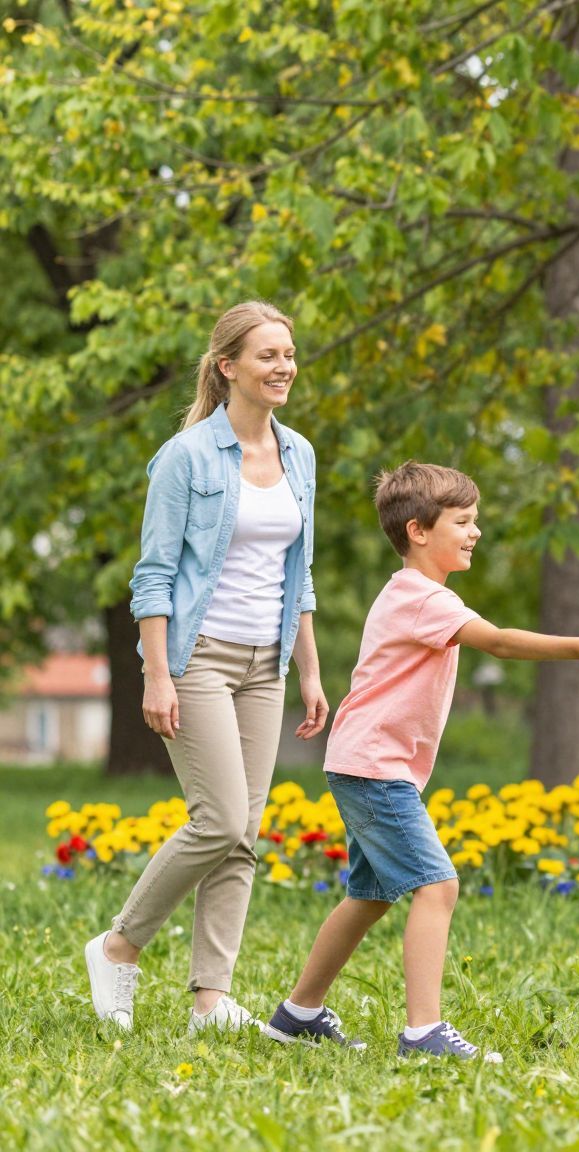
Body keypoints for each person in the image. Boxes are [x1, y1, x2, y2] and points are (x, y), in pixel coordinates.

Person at [261, 462, 579, 1059]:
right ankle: (424, 1033)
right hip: (374, 766)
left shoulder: (420, 595)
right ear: (418, 530)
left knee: (371, 894)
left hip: (366, 761)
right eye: (462, 521)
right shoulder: (420, 597)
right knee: (438, 886)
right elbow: (501, 641)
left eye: (475, 521)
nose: (474, 532)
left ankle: (297, 1014)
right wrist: (576, 648)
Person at [86, 301, 329, 1033]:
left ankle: (210, 1001)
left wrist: (311, 673)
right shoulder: (187, 456)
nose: (283, 366)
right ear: (228, 367)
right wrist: (157, 676)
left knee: (243, 832)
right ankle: (119, 946)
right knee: (219, 817)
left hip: (267, 663)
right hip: (197, 658)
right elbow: (153, 576)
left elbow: (301, 575)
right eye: (267, 355)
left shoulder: (300, 455)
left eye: (288, 353)